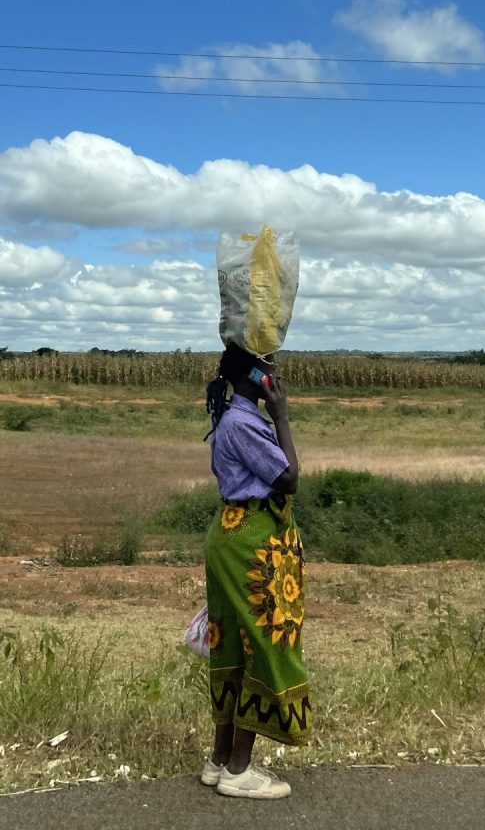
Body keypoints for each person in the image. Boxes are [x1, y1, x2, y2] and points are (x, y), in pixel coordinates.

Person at [200, 342, 311, 800]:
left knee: (232, 644)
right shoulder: (246, 422)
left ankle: (220, 759)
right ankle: (239, 771)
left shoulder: (236, 417)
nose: (277, 374)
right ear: (255, 378)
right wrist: (283, 415)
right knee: (266, 644)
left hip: (234, 534)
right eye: (271, 366)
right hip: (251, 544)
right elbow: (289, 478)